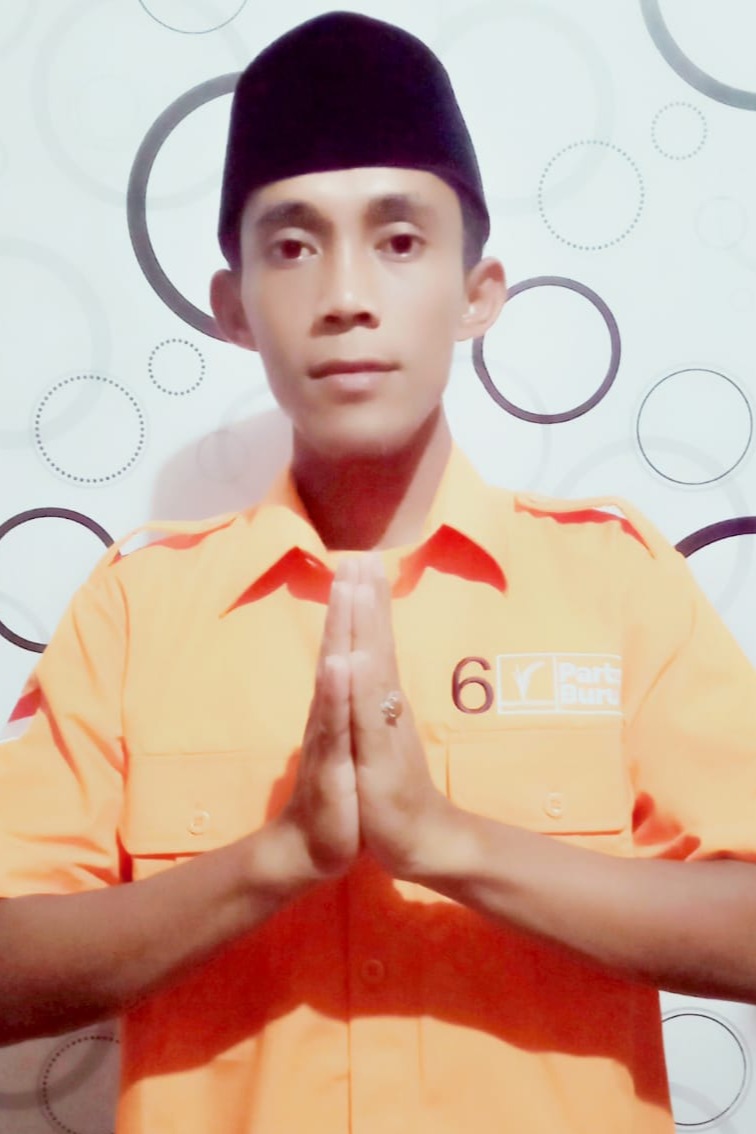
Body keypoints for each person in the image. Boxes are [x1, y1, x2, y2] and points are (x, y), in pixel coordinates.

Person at [1, 11, 756, 1133]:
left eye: (400, 241)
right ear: (231, 308)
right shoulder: (135, 608)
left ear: (479, 290)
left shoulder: (615, 579)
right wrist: (277, 858)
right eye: (292, 246)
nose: (346, 293)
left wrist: (447, 842)